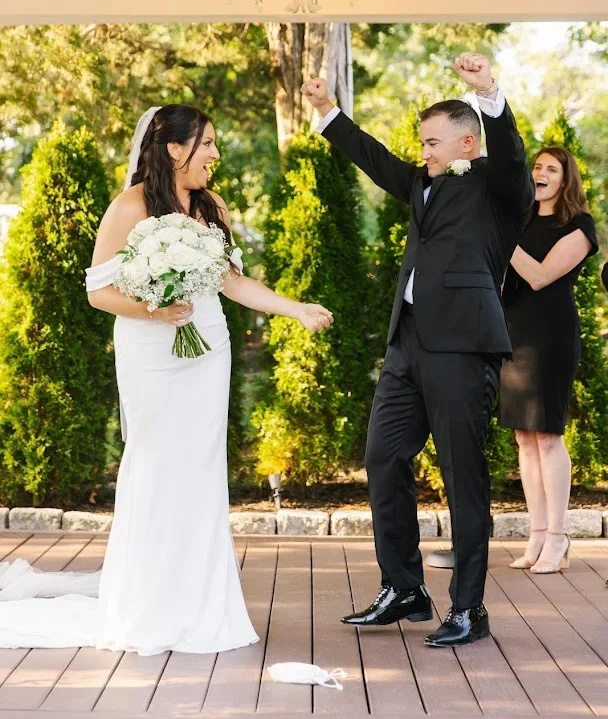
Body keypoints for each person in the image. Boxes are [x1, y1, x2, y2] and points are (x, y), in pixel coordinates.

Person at [0, 104, 333, 654]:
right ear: (175, 149)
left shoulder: (213, 206)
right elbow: (98, 291)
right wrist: (154, 310)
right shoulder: (129, 206)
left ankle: (202, 603)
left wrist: (295, 309)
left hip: (208, 348)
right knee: (156, 465)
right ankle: (149, 603)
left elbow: (232, 284)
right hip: (152, 351)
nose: (215, 155)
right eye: (207, 145)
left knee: (201, 469)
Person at [302, 54, 534, 648]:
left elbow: (509, 154)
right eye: (422, 142)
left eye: (433, 142)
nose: (423, 151)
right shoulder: (421, 183)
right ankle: (404, 588)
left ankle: (469, 608)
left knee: (463, 477)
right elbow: (375, 159)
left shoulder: (497, 186)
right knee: (382, 457)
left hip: (463, 346)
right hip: (406, 345)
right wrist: (328, 112)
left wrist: (490, 93)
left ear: (466, 140)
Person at [500, 146, 597, 573]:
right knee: (524, 437)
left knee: (548, 436)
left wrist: (502, 239)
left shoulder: (579, 226)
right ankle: (537, 535)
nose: (540, 173)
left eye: (550, 169)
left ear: (565, 179)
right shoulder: (519, 218)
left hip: (550, 337)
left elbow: (539, 276)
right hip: (511, 334)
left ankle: (558, 538)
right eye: (537, 167)